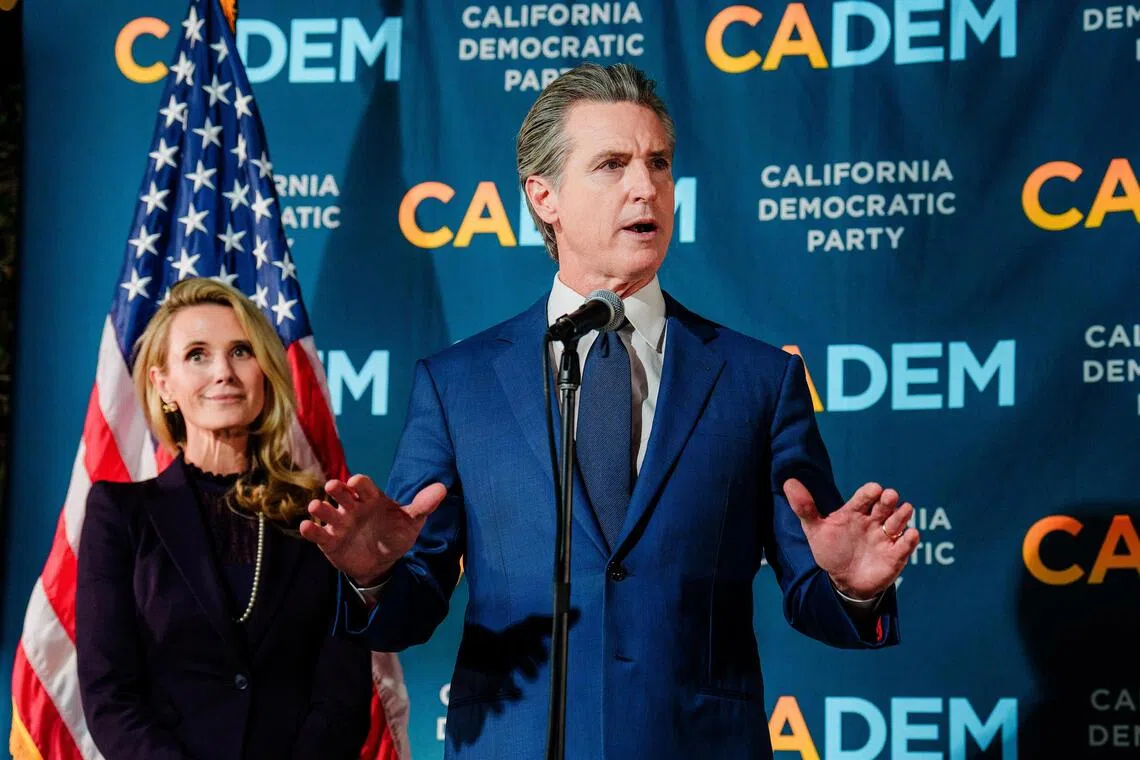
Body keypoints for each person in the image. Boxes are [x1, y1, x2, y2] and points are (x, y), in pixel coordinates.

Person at [300, 62, 921, 759]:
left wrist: (850, 588)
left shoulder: (759, 381)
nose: (644, 185)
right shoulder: (458, 385)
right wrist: (372, 575)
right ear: (544, 196)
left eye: (658, 162)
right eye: (611, 164)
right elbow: (412, 605)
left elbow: (811, 588)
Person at [75, 278, 372, 760]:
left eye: (241, 351)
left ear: (265, 372)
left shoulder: (320, 514)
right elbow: (110, 694)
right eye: (197, 354)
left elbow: (342, 693)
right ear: (163, 384)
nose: (223, 372)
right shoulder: (120, 514)